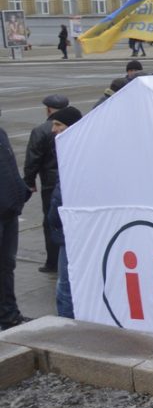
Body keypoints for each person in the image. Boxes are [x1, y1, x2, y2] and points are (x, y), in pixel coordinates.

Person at [24, 94, 69, 274]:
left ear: (48, 109)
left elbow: (32, 159)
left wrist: (29, 182)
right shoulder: (74, 124)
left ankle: (52, 262)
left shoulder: (41, 130)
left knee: (51, 221)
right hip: (69, 180)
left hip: (50, 183)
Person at [44, 106, 82, 318]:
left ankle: (66, 325)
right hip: (69, 227)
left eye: (58, 125)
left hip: (70, 229)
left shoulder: (72, 152)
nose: (53, 130)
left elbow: (60, 195)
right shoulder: (65, 147)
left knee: (65, 283)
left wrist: (53, 219)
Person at [1, 111, 34, 330]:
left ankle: (8, 316)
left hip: (8, 212)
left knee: (5, 267)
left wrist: (21, 192)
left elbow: (8, 169)